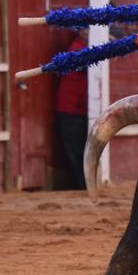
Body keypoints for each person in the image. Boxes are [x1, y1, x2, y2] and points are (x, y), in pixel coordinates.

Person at [55, 31, 88, 189]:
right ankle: (82, 186)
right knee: (77, 152)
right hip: (72, 110)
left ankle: (83, 185)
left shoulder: (80, 48)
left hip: (77, 110)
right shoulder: (77, 49)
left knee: (79, 151)